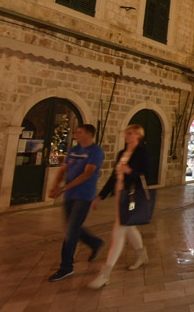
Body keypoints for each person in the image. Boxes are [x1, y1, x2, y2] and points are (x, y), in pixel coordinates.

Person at [88, 124, 150, 289]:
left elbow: (146, 174)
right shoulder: (122, 153)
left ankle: (105, 275)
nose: (126, 135)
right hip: (120, 195)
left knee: (119, 231)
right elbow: (113, 177)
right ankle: (142, 255)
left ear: (137, 135)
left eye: (130, 133)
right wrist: (100, 196)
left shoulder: (142, 153)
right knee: (129, 227)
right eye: (126, 132)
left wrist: (129, 170)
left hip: (132, 197)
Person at [47, 124, 105, 282]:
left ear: (89, 134)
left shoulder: (96, 152)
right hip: (69, 195)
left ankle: (66, 267)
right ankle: (95, 243)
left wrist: (63, 188)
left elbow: (87, 174)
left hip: (84, 195)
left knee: (71, 231)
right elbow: (62, 169)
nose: (76, 134)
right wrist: (55, 186)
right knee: (72, 228)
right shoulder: (73, 150)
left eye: (79, 132)